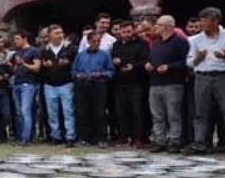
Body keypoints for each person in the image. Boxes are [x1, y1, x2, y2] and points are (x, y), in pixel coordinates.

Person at [186, 7, 225, 159]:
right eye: (201, 20)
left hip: (223, 76)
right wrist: (198, 58)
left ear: (216, 21)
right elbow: (189, 61)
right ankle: (200, 144)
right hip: (202, 77)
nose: (202, 24)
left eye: (205, 21)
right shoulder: (196, 39)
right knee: (200, 114)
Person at [146, 15, 189, 153]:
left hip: (173, 83)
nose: (155, 27)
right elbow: (151, 58)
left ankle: (174, 141)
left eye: (158, 25)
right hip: (155, 83)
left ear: (167, 26)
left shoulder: (180, 42)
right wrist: (149, 64)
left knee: (173, 115)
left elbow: (185, 62)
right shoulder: (156, 43)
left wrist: (169, 67)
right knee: (157, 115)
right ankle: (160, 140)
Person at [111, 20, 149, 149]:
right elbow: (113, 58)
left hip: (136, 82)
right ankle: (123, 136)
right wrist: (115, 61)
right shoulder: (116, 45)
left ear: (133, 31)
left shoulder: (141, 44)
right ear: (119, 32)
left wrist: (133, 66)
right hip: (120, 82)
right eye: (123, 32)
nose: (126, 34)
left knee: (137, 110)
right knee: (120, 110)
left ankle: (138, 138)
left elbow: (146, 60)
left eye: (128, 31)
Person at [72, 31, 114, 147]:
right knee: (83, 112)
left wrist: (101, 74)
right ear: (88, 42)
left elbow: (110, 71)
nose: (96, 43)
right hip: (83, 85)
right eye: (94, 41)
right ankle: (84, 138)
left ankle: (101, 138)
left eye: (98, 41)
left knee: (100, 111)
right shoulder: (81, 55)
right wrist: (77, 75)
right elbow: (74, 70)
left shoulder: (105, 54)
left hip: (98, 84)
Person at [40, 25, 77, 147]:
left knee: (68, 111)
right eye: (56, 33)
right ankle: (55, 136)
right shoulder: (44, 50)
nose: (60, 35)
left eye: (61, 32)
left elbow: (76, 64)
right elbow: (40, 68)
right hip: (49, 84)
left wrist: (68, 63)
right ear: (50, 35)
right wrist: (44, 65)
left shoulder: (71, 48)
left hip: (66, 83)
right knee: (52, 112)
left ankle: (70, 136)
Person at [11, 31, 41, 146]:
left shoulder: (34, 51)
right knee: (19, 112)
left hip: (28, 84)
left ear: (25, 39)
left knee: (25, 111)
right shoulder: (16, 52)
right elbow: (15, 68)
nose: (15, 41)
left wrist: (23, 63)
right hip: (17, 83)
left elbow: (37, 67)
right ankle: (20, 136)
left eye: (18, 39)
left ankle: (26, 138)